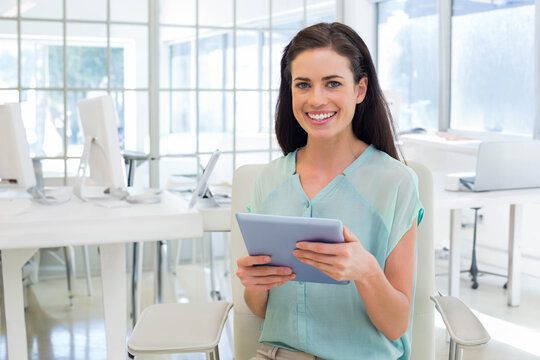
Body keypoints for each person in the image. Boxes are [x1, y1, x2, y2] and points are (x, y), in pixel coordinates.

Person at [236, 22, 424, 360]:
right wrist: (255, 285)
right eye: (303, 84)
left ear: (360, 89)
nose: (316, 99)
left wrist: (366, 271)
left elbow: (396, 326)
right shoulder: (270, 179)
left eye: (333, 83)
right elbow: (261, 310)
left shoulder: (396, 182)